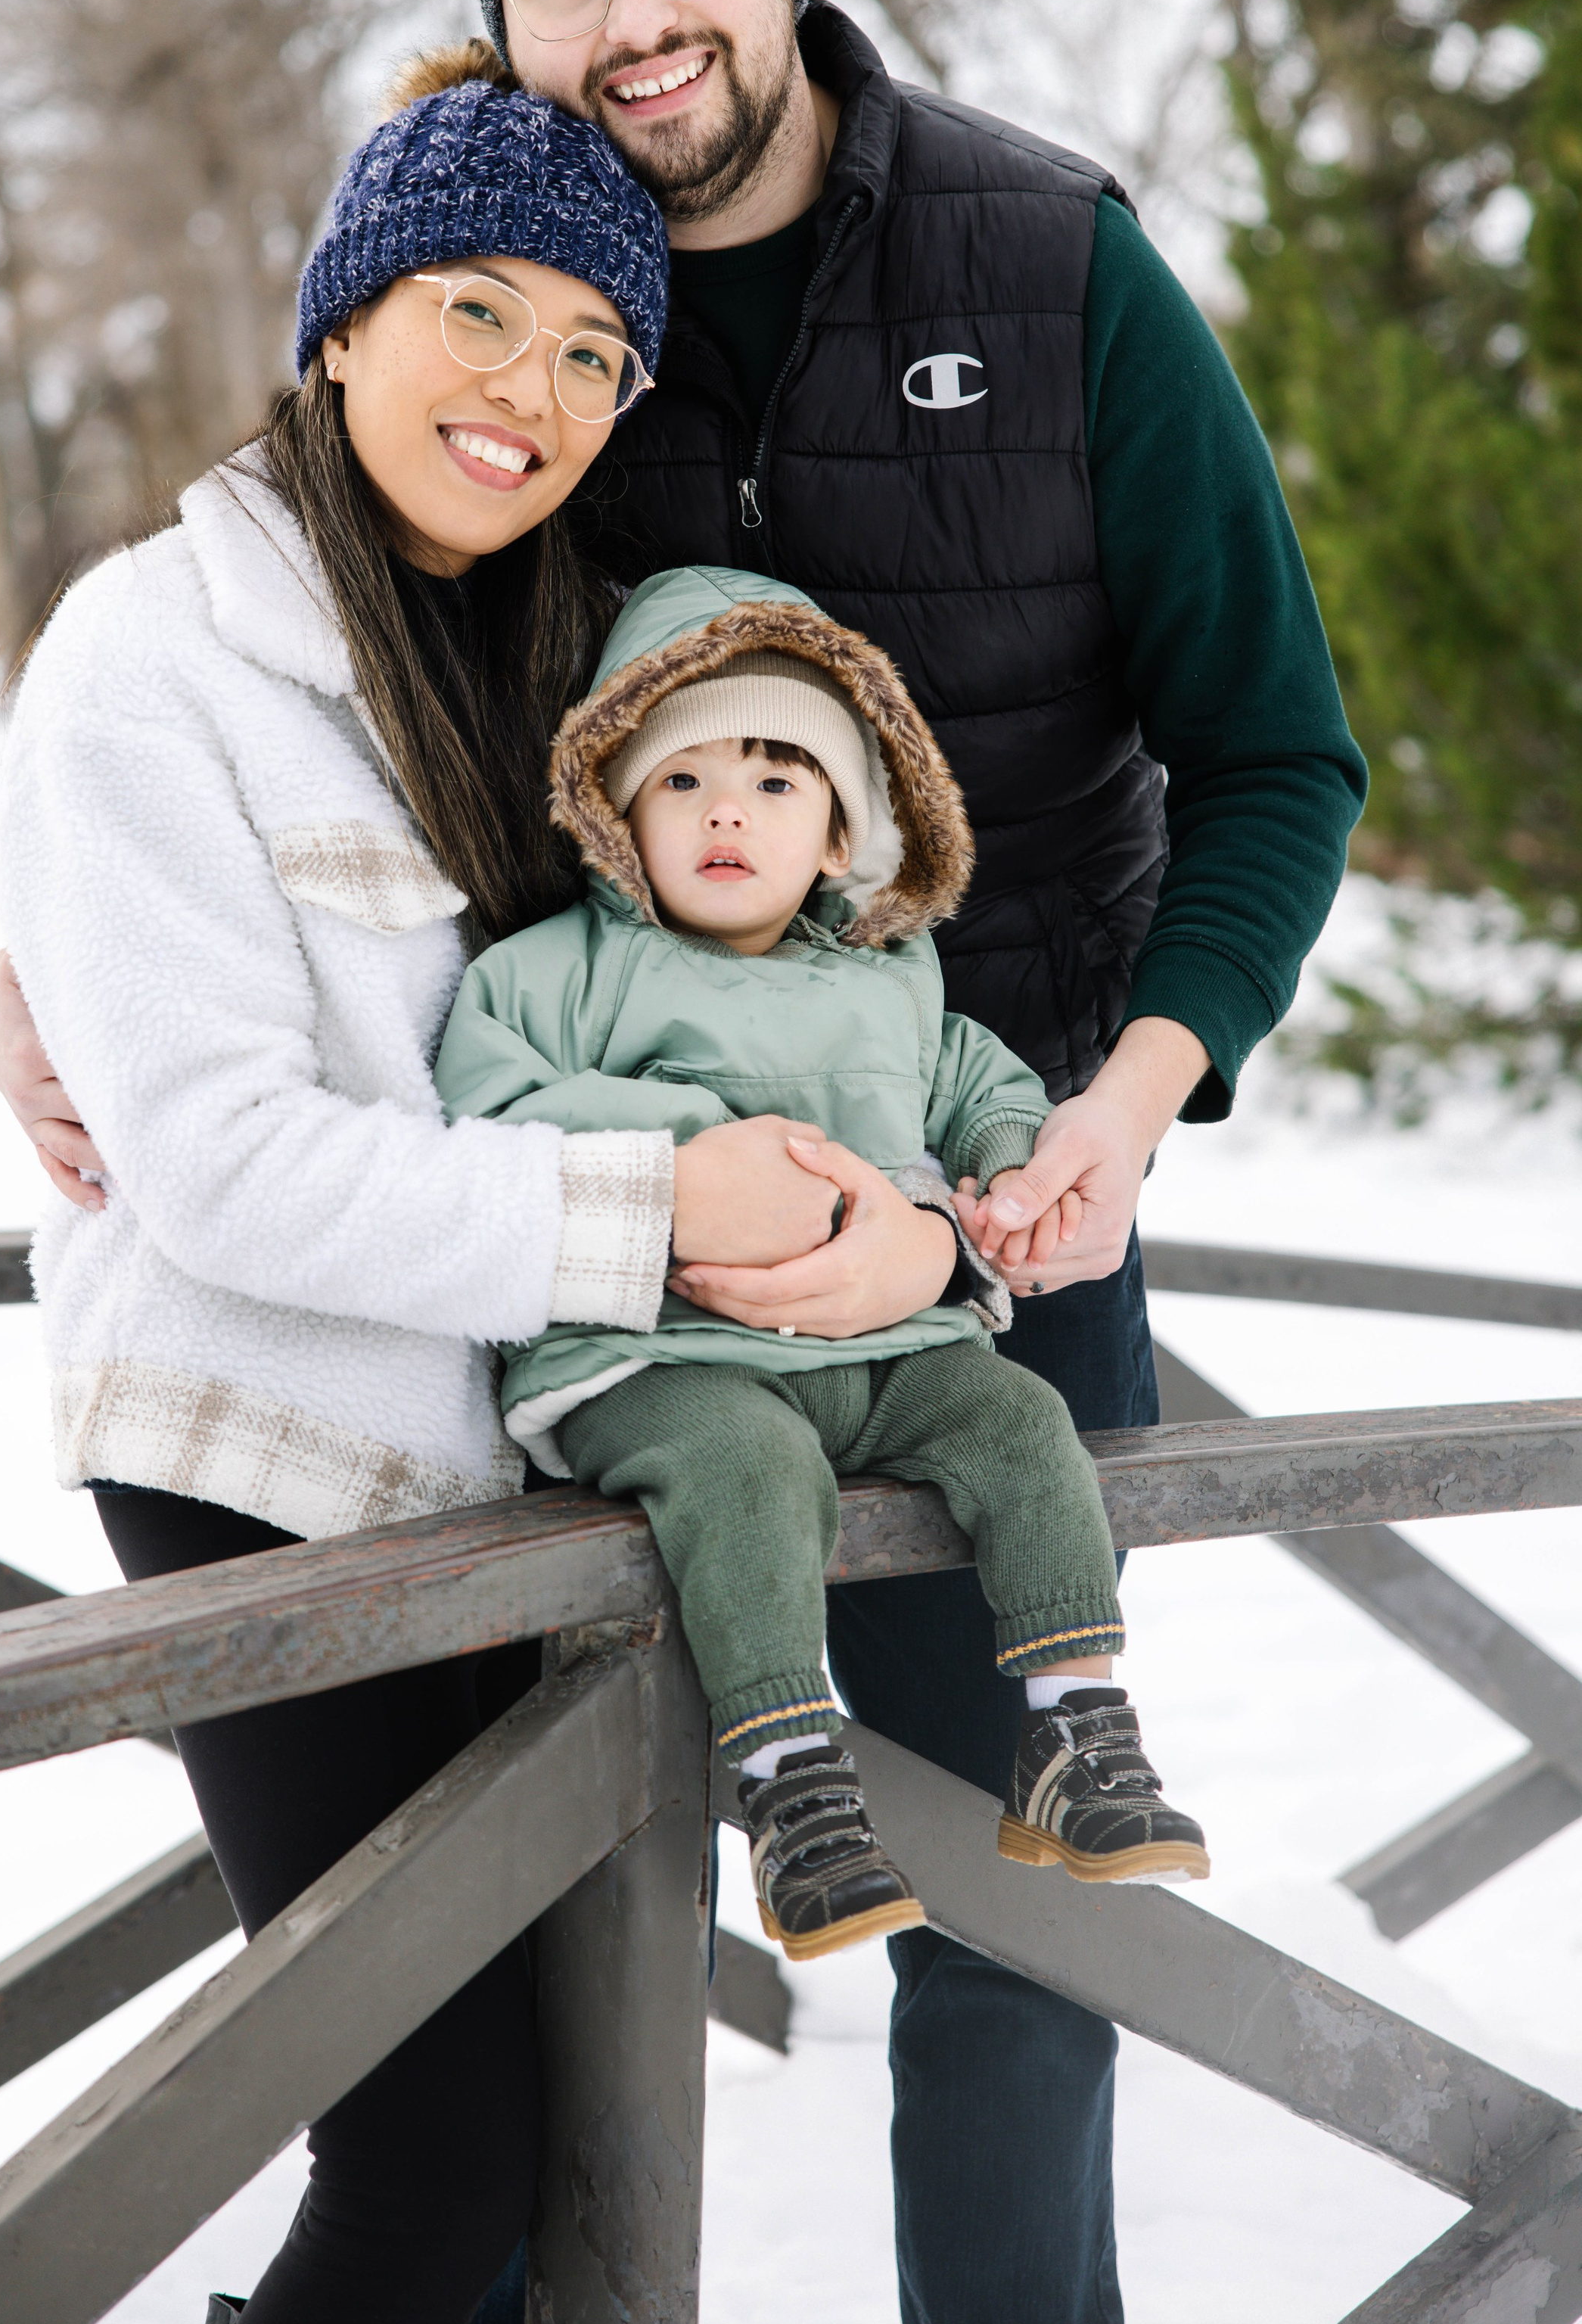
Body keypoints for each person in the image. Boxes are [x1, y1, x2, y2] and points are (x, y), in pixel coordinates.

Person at [0, 0, 1367, 2324]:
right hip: (559, 1296)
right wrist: (25, 955)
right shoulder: (516, 310)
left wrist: (1127, 1107)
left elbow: (1275, 746)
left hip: (989, 1207)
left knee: (1012, 1895)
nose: (630, 16)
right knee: (526, 1993)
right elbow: (262, 677)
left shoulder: (1049, 260)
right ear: (496, 41)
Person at [0, 50, 855, 2324]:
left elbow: (713, 970)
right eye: (480, 311)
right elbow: (229, 1166)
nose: (536, 388)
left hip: (526, 1456)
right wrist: (657, 1219)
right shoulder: (150, 653)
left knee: (577, 2125)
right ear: (343, 319)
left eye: (594, 351)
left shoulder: (570, 652)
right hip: (261, 1450)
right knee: (426, 2147)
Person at [436, 562, 1209, 1962]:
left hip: (880, 1356)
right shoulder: (551, 971)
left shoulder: (889, 973)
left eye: (779, 778)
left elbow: (968, 1075)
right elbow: (491, 1106)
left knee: (1027, 1422)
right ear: (614, 811)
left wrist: (1016, 1155)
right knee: (749, 1478)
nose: (729, 808)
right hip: (670, 1357)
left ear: (848, 828)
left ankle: (1072, 1723)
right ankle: (794, 1782)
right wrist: (700, 1140)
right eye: (683, 781)